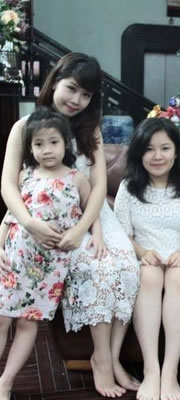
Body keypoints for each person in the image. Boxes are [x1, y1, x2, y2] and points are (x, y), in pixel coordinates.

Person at [1, 52, 140, 398]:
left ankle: (109, 358)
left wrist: (82, 230)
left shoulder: (89, 130)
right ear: (55, 82)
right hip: (36, 219)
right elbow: (8, 185)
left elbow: (98, 187)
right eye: (72, 88)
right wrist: (28, 223)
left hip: (89, 215)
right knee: (95, 269)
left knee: (123, 265)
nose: (77, 100)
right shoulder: (25, 127)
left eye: (86, 94)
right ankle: (102, 361)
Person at [0, 108, 92, 400]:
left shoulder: (77, 179)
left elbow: (93, 213)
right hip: (15, 257)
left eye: (53, 142)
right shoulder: (25, 175)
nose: (47, 150)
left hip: (49, 266)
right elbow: (9, 216)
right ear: (30, 149)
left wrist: (95, 238)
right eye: (38, 144)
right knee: (1, 318)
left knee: (28, 322)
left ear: (66, 144)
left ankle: (6, 383)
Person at [114, 117, 180, 400]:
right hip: (144, 258)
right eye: (149, 149)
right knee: (149, 276)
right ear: (139, 153)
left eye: (165, 148)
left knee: (179, 278)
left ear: (176, 152)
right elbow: (122, 235)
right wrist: (142, 253)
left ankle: (170, 371)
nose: (157, 156)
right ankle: (151, 369)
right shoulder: (128, 188)